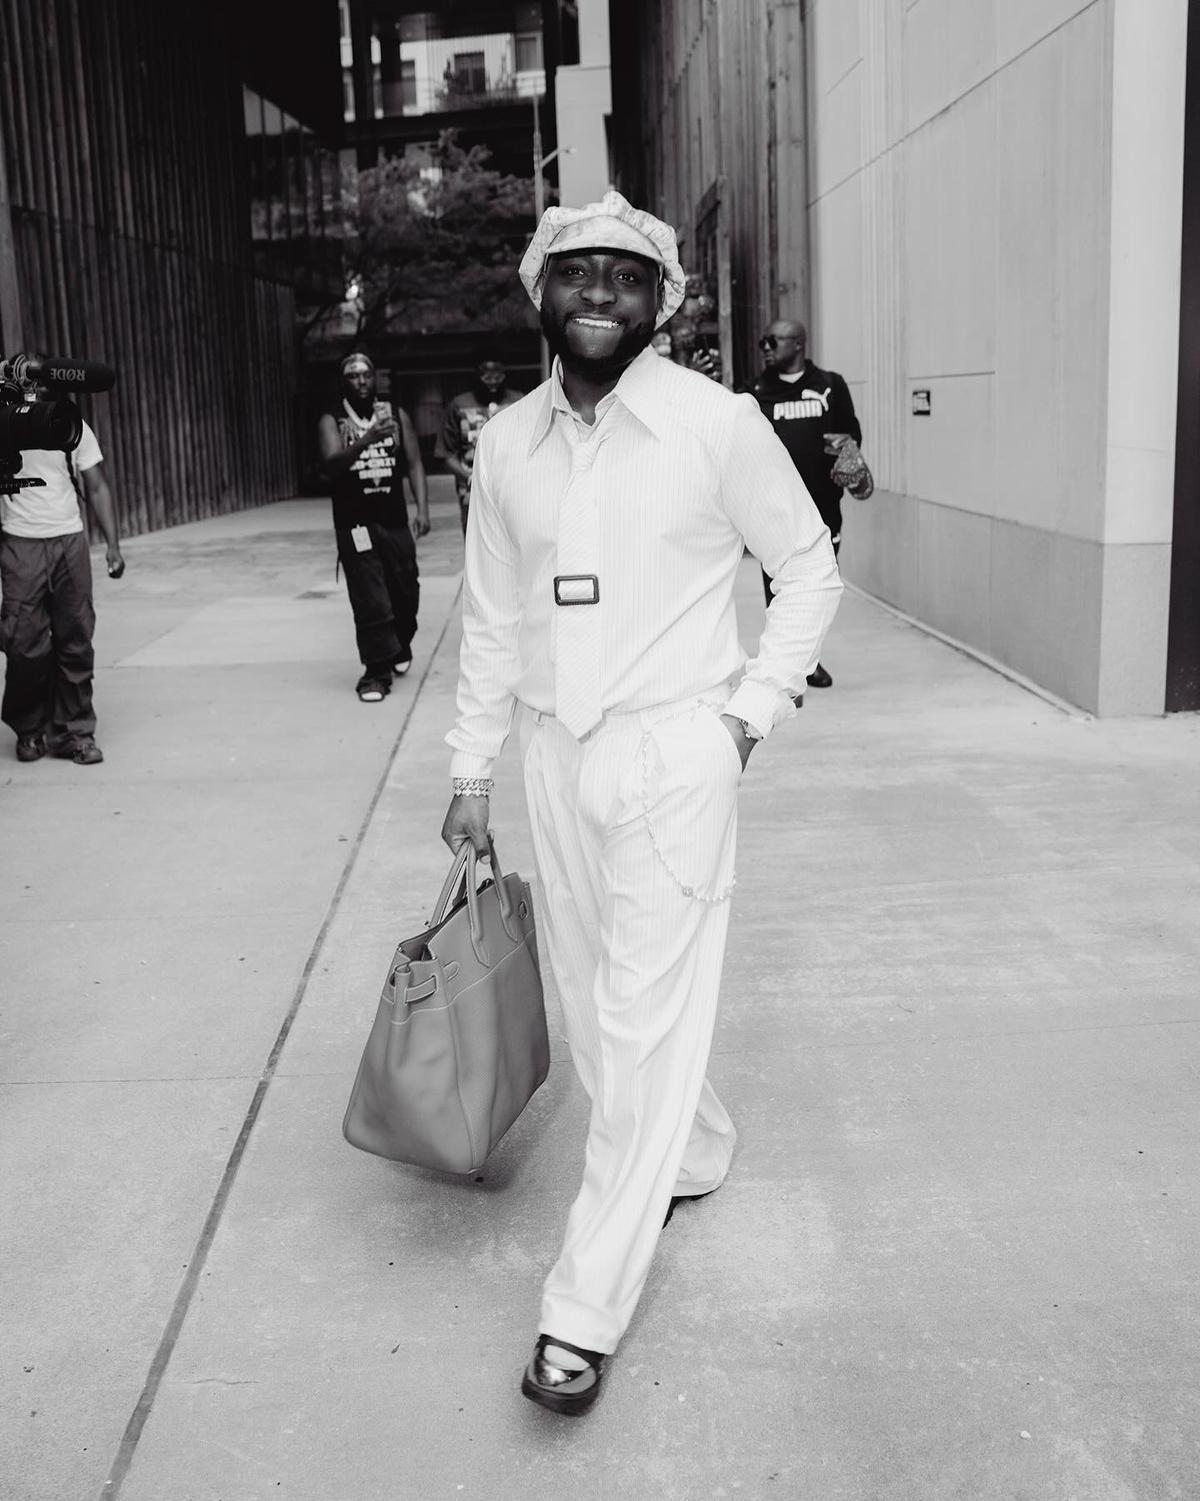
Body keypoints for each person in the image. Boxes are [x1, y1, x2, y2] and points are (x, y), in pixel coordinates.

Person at [440, 190, 843, 1414]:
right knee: (608, 999)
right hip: (555, 759)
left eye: (626, 275)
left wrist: (747, 716)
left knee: (640, 1013)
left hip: (677, 753)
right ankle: (697, 1145)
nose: (601, 293)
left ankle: (583, 1305)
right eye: (578, 274)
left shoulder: (716, 425)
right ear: (540, 294)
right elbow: (493, 621)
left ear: (661, 299)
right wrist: (470, 771)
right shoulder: (508, 444)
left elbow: (809, 564)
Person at [0, 379, 124, 764]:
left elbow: (98, 485)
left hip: (69, 541)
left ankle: (76, 732)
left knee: (75, 637)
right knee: (23, 643)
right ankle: (30, 728)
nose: (31, 390)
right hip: (20, 543)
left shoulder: (70, 424)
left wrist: (113, 546)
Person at [751, 320, 871, 690]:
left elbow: (851, 433)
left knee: (818, 591)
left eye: (773, 341)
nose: (766, 347)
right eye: (763, 341)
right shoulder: (756, 391)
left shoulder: (829, 386)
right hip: (774, 512)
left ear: (798, 344)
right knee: (778, 593)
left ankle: (808, 661)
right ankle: (786, 673)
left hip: (823, 510)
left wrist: (848, 451)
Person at [317, 352, 429, 703]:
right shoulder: (332, 420)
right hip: (355, 524)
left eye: (367, 375)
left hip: (394, 520)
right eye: (353, 376)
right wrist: (366, 440)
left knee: (405, 591)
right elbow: (332, 466)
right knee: (371, 599)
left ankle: (399, 644)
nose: (361, 381)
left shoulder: (395, 415)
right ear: (343, 382)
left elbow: (413, 463)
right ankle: (376, 673)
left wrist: (422, 508)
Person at [436, 358, 523, 533]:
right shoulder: (459, 405)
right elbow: (445, 453)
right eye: (486, 376)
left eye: (497, 375)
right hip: (472, 492)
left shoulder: (519, 402)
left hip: (514, 490)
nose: (493, 382)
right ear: (476, 376)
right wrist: (469, 476)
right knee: (477, 543)